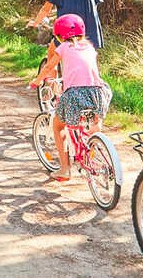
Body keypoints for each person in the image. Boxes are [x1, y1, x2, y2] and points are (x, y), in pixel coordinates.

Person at [30, 14, 112, 181]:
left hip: (74, 95)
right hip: (97, 92)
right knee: (90, 125)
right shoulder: (89, 47)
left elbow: (48, 68)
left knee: (58, 126)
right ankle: (94, 143)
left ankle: (65, 169)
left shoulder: (63, 48)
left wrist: (37, 81)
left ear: (59, 36)